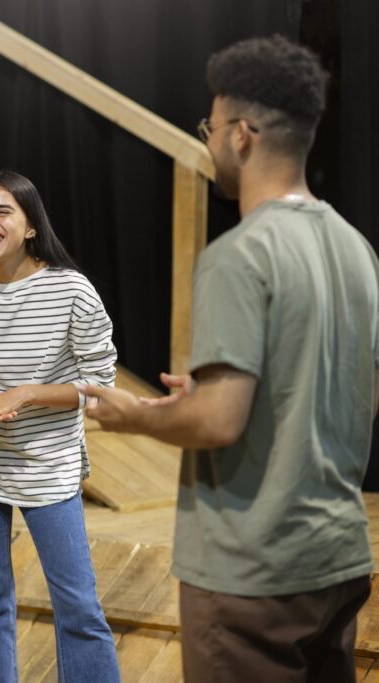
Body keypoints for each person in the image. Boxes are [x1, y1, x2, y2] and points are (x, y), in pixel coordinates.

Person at [81, 35, 379, 682]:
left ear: (241, 135)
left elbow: (218, 422)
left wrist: (134, 416)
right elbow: (348, 387)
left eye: (210, 128)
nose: (208, 142)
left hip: (252, 572)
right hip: (337, 558)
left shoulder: (237, 256)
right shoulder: (357, 250)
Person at [0, 170, 121, 682]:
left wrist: (29, 393)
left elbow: (99, 381)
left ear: (31, 225)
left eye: (2, 212)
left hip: (49, 465)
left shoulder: (71, 289)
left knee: (78, 605)